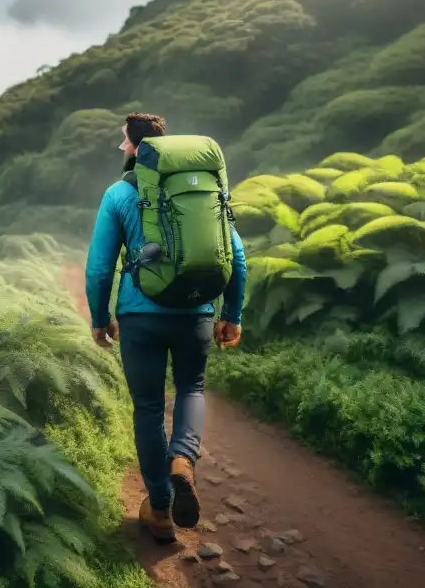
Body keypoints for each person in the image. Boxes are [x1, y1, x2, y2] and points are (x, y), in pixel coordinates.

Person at [84, 112, 247, 544]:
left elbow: (100, 268)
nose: (121, 148)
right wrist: (233, 313)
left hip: (140, 318)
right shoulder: (203, 190)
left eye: (124, 141)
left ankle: (159, 509)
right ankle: (183, 461)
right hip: (196, 312)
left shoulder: (119, 193)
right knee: (192, 388)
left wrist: (100, 319)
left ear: (138, 148)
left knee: (150, 408)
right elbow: (236, 255)